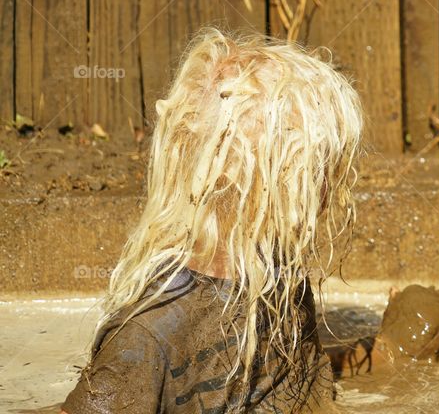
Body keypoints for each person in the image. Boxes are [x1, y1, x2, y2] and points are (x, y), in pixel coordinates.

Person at [61, 28, 364, 413]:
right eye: (319, 168)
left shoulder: (280, 285)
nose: (330, 187)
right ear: (264, 183)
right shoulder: (146, 335)